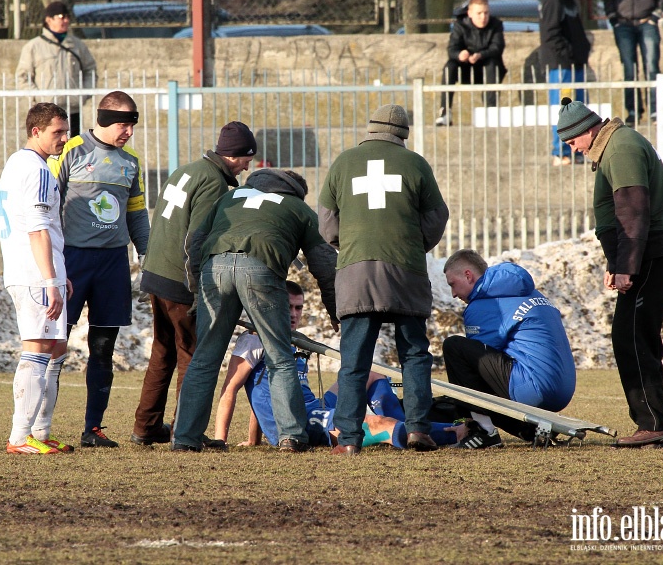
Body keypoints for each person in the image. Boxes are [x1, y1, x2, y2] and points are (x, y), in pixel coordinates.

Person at [172, 169, 338, 453]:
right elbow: (323, 262)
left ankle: (185, 437)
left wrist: (198, 290)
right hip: (260, 269)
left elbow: (195, 241)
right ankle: (292, 435)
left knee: (204, 359)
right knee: (280, 356)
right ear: (296, 191)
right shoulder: (297, 207)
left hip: (215, 269)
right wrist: (335, 309)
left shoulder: (230, 196)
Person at [318, 104, 449, 456]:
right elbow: (438, 214)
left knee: (354, 360)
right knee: (415, 355)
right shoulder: (415, 164)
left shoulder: (344, 162)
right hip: (404, 271)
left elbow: (327, 221)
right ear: (403, 134)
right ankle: (420, 430)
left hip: (356, 272)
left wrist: (348, 245)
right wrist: (414, 243)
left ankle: (347, 439)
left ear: (371, 128)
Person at [557, 97, 663, 448]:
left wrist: (627, 267)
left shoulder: (620, 149)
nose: (573, 150)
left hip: (651, 253)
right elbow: (614, 217)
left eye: (572, 142)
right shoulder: (613, 146)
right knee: (631, 334)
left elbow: (632, 214)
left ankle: (654, 423)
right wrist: (615, 263)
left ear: (589, 130)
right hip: (645, 252)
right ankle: (654, 421)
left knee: (632, 336)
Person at [214, 281, 457, 450]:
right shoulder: (254, 338)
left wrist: (253, 439)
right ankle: (458, 433)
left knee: (373, 375)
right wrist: (220, 440)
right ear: (273, 305)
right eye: (287, 307)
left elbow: (262, 391)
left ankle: (406, 424)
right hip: (299, 421)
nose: (294, 314)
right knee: (376, 424)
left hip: (314, 406)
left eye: (298, 308)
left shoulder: (295, 340)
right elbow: (232, 389)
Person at [131, 121, 256, 446]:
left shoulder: (185, 170)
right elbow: (195, 240)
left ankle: (146, 427)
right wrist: (198, 289)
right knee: (193, 355)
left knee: (163, 350)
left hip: (156, 273)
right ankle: (186, 432)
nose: (248, 166)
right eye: (247, 158)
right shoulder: (213, 183)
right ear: (234, 156)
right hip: (179, 280)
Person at [49, 91, 150, 448]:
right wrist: (47, 259)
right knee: (54, 344)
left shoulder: (131, 161)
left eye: (132, 125)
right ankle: (39, 426)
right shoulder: (70, 150)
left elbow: (137, 212)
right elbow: (47, 205)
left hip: (112, 264)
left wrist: (147, 253)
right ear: (105, 120)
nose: (128, 133)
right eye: (123, 124)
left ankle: (93, 429)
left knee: (104, 347)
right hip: (73, 261)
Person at [442, 249, 576, 449]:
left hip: (534, 389)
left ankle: (482, 432)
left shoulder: (483, 304)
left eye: (453, 284)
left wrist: (463, 415)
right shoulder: (531, 292)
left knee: (455, 348)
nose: (453, 294)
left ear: (468, 275)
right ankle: (531, 429)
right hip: (564, 391)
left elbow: (477, 374)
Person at [0, 103, 74, 455]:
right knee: (38, 348)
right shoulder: (39, 171)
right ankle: (19, 437)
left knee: (56, 348)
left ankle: (40, 433)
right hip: (33, 273)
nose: (64, 138)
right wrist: (50, 280)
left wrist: (59, 274)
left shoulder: (17, 163)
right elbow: (38, 229)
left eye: (66, 130)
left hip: (32, 270)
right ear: (36, 132)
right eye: (57, 132)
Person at [601, 0, 663, 126]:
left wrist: (655, 16)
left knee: (652, 67)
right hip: (623, 25)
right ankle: (633, 112)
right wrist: (614, 19)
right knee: (629, 69)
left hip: (647, 23)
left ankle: (656, 111)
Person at [16, 1, 97, 136]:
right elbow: (22, 77)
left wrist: (83, 95)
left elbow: (90, 70)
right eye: (61, 17)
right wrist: (38, 97)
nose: (65, 20)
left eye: (67, 17)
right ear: (49, 20)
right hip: (46, 112)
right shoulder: (34, 46)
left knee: (71, 149)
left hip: (72, 109)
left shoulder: (77, 45)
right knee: (49, 149)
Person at [538, 0, 591, 166]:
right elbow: (550, 34)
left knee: (577, 109)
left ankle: (576, 149)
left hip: (575, 64)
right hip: (562, 66)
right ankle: (560, 151)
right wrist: (566, 55)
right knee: (564, 109)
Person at [435, 0, 507, 127]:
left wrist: (480, 55)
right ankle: (445, 112)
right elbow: (452, 49)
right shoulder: (460, 25)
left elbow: (497, 47)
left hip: (487, 69)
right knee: (449, 66)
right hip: (465, 69)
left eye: (486, 13)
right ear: (470, 13)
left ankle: (490, 110)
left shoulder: (496, 24)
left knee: (493, 64)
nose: (483, 17)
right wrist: (459, 54)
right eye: (479, 13)